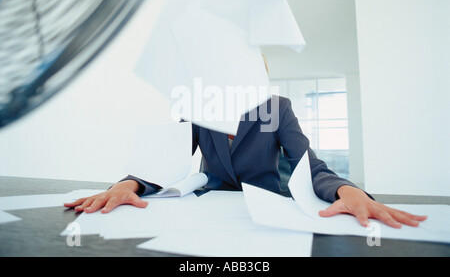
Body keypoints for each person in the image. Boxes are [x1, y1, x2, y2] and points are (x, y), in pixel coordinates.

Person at [64, 94, 427, 229]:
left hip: (267, 211)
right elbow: (166, 162)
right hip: (207, 213)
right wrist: (127, 185)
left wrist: (347, 190)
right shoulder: (198, 109)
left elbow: (309, 165)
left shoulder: (277, 109)